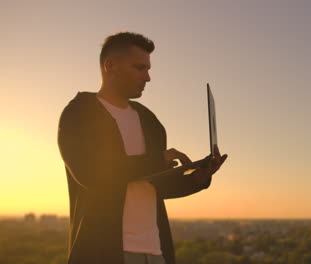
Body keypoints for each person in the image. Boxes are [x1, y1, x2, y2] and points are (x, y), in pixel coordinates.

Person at [57, 32, 228, 264]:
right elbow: (91, 174)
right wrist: (158, 158)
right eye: (139, 68)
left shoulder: (150, 121)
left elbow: (155, 186)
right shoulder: (79, 113)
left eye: (148, 69)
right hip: (103, 252)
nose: (147, 77)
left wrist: (197, 178)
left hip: (156, 252)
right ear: (110, 66)